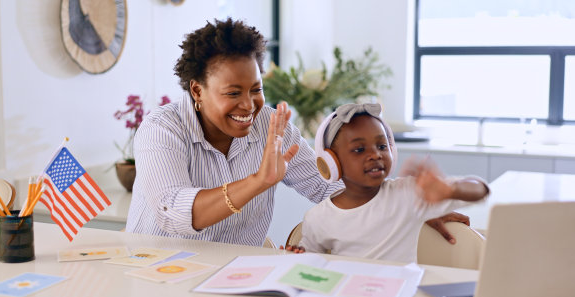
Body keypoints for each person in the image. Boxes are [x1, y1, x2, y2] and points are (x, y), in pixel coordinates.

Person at [126, 18, 469, 247]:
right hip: (158, 272)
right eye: (233, 93)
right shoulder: (162, 129)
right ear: (197, 91)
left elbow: (329, 185)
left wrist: (410, 207)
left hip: (233, 275)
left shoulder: (271, 125)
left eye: (256, 89)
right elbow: (173, 213)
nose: (248, 105)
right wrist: (258, 181)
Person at [287, 103, 489, 262]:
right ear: (332, 163)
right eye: (359, 149)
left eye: (382, 146)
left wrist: (450, 189)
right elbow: (309, 261)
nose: (375, 155)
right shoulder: (318, 218)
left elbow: (481, 189)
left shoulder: (409, 194)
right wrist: (296, 255)